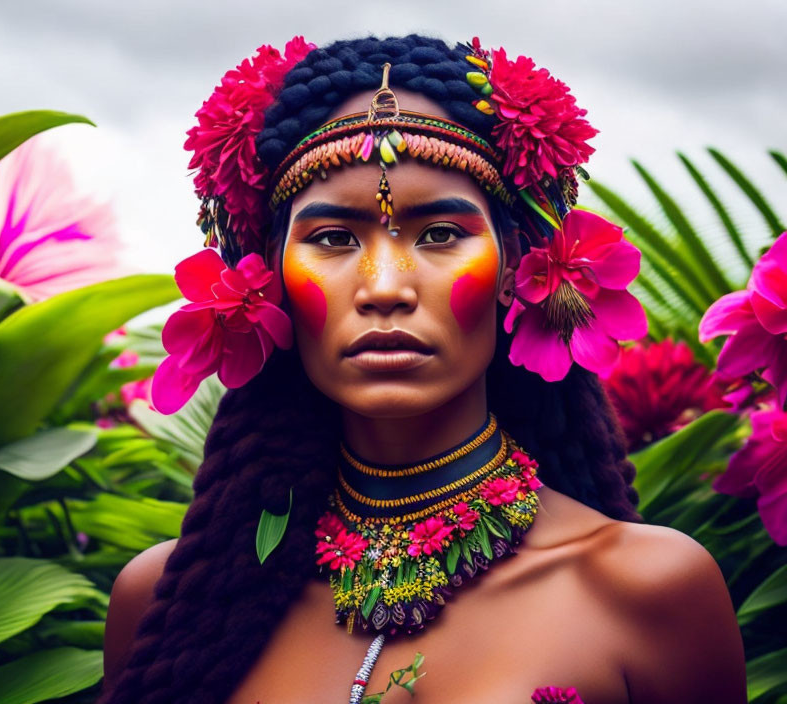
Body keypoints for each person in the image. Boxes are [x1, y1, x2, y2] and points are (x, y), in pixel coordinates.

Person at [97, 35, 747, 704]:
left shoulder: (649, 591)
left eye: (440, 234)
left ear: (514, 268)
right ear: (270, 282)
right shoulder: (162, 605)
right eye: (332, 239)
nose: (384, 286)